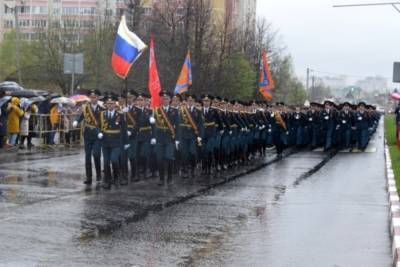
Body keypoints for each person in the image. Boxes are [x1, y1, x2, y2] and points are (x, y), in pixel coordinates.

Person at [73, 90, 104, 185]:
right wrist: (76, 121)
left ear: (98, 98)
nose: (93, 99)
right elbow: (80, 116)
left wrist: (102, 132)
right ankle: (89, 177)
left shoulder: (102, 109)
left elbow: (105, 122)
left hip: (97, 135)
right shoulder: (85, 108)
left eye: (94, 97)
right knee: (87, 157)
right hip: (87, 135)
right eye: (91, 97)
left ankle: (98, 174)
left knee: (96, 155)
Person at [98, 94, 128, 190]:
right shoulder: (102, 114)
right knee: (106, 162)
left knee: (114, 160)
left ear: (115, 104)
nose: (110, 105)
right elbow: (98, 126)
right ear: (106, 105)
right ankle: (107, 180)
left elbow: (124, 129)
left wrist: (126, 142)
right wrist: (98, 133)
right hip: (105, 141)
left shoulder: (120, 115)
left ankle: (116, 178)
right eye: (108, 103)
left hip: (116, 142)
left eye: (112, 103)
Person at [152, 91, 179, 185]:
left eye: (167, 98)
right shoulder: (156, 110)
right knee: (159, 159)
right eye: (163, 98)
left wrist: (177, 139)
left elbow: (178, 126)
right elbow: (153, 126)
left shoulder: (175, 111)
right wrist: (153, 136)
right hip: (159, 138)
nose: (165, 100)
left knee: (169, 157)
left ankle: (170, 177)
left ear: (170, 100)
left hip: (170, 138)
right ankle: (161, 178)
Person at [177, 94, 204, 178]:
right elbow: (178, 124)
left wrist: (200, 135)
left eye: (191, 100)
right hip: (183, 134)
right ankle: (184, 170)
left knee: (192, 153)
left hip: (193, 135)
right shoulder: (181, 111)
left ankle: (192, 169)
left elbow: (201, 125)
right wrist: (177, 137)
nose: (190, 102)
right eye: (188, 100)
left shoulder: (198, 111)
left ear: (194, 101)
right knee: (184, 153)